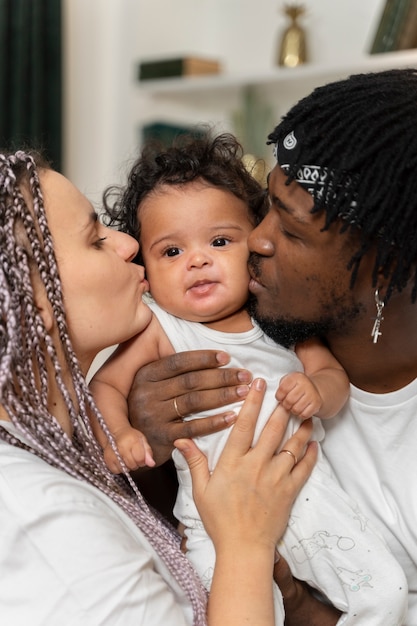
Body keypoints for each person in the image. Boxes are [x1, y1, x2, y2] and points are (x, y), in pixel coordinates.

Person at [122, 68, 417, 625]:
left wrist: (299, 603)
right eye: (266, 206)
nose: (256, 239)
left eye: (292, 228)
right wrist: (148, 447)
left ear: (384, 271)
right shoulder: (212, 332)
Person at [0, 149, 319, 626]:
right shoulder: (41, 520)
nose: (128, 243)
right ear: (33, 300)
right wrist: (245, 542)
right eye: (94, 240)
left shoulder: (59, 461)